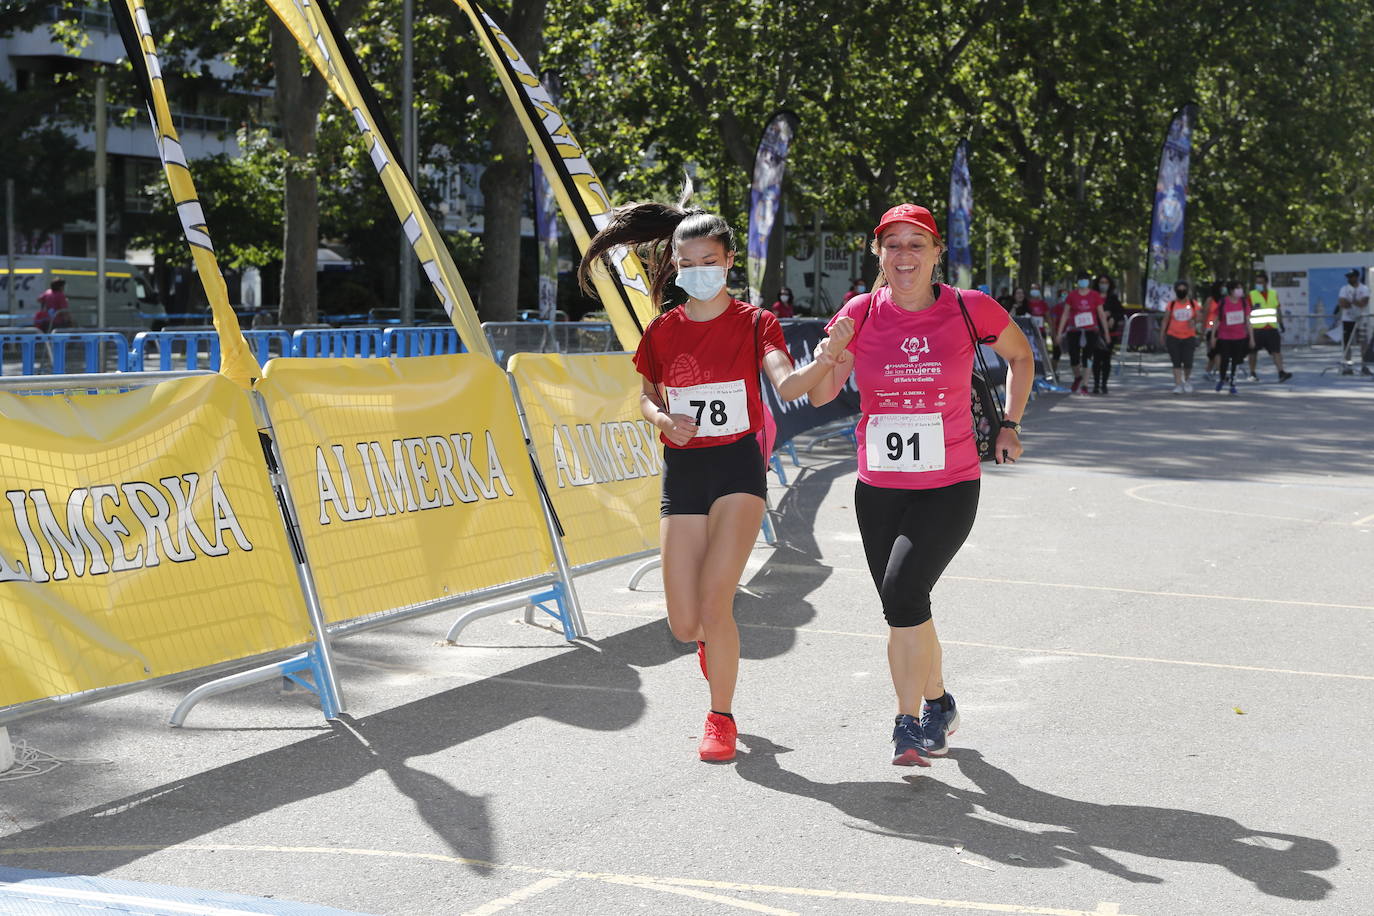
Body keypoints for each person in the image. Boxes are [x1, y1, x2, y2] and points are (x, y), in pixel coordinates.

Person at [577, 183, 839, 763]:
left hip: (738, 468)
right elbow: (645, 398)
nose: (698, 272)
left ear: (728, 263)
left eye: (709, 263)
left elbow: (788, 385)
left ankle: (720, 717)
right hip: (685, 472)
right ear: (677, 267)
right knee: (682, 620)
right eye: (688, 264)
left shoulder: (755, 323)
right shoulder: (663, 330)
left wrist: (825, 359)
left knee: (717, 604)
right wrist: (664, 419)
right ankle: (708, 647)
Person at [802, 203, 1033, 767]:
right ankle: (939, 701)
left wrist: (1010, 423)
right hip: (879, 485)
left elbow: (1021, 357)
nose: (904, 256)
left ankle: (906, 725)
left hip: (949, 482)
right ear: (878, 254)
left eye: (916, 244)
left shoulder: (968, 307)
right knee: (905, 604)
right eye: (893, 245)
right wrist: (831, 353)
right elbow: (820, 397)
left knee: (904, 592)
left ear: (935, 254)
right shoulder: (859, 311)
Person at [1054, 272, 1109, 394]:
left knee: (1087, 357)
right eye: (1080, 279)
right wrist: (1059, 333)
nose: (1083, 282)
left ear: (1088, 281)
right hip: (1074, 330)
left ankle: (1085, 384)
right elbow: (1065, 314)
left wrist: (1106, 332)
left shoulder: (1095, 295)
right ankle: (1077, 376)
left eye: (1085, 280)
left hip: (1091, 330)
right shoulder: (1072, 296)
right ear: (1077, 282)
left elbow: (1101, 314)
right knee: (1074, 357)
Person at [1247, 270, 1292, 382]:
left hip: (1271, 328)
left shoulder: (1273, 294)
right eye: (1257, 282)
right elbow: (1247, 312)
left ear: (1266, 283)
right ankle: (1252, 373)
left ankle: (1281, 372)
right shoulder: (1252, 295)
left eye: (1261, 282)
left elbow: (1277, 309)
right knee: (1253, 352)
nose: (1258, 285)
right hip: (1257, 329)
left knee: (1276, 351)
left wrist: (1281, 323)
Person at [1159, 280, 1202, 393]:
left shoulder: (1193, 304)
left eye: (1184, 289)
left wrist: (1194, 320)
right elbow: (1165, 320)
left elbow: (1200, 316)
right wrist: (1162, 334)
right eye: (1179, 289)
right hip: (1173, 336)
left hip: (1189, 336)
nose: (1181, 291)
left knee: (1188, 362)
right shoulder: (1171, 304)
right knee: (1176, 361)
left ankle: (1187, 380)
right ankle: (1178, 384)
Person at [1213, 280, 1253, 395]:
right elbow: (1216, 320)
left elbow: (1248, 321)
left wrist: (1251, 337)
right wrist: (1213, 336)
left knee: (1237, 361)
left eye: (1241, 288)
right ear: (1231, 290)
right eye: (1237, 288)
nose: (1240, 291)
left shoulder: (1244, 303)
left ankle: (1233, 384)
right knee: (1224, 359)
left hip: (1240, 337)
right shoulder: (1223, 302)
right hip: (1224, 336)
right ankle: (1222, 378)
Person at [1090, 274, 1125, 394]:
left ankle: (1104, 384)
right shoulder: (1093, 297)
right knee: (1096, 359)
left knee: (1106, 359)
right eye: (1101, 282)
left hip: (1110, 333)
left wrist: (1113, 317)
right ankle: (1096, 384)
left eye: (1106, 282)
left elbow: (1120, 312)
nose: (1103, 285)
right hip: (1095, 331)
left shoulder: (1113, 298)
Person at [1335, 269, 1370, 375]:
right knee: (1347, 344)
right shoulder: (1344, 289)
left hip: (1361, 319)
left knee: (1363, 343)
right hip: (1347, 319)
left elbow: (1363, 303)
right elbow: (1342, 303)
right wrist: (1353, 301)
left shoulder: (1364, 288)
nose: (1349, 279)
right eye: (1348, 277)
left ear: (1357, 277)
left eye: (1351, 276)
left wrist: (1350, 301)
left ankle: (1364, 366)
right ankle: (1348, 367)